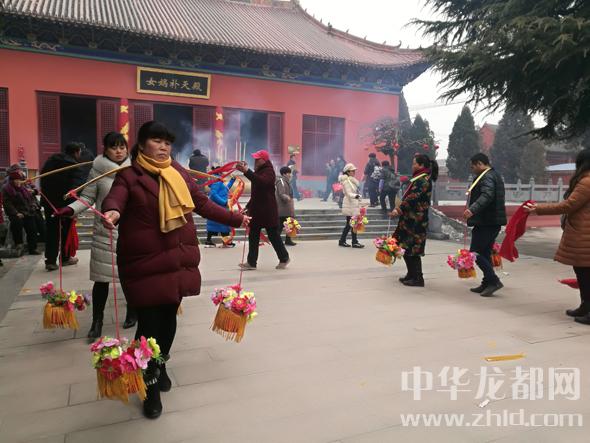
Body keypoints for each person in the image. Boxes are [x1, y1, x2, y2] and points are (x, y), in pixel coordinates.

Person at [101, 121, 249, 419]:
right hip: (144, 263)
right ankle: (150, 384)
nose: (163, 147)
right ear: (142, 144)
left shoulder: (178, 173)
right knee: (148, 325)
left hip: (176, 260)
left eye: (167, 142)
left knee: (168, 318)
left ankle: (160, 364)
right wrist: (112, 211)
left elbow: (202, 204)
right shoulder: (129, 176)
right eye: (157, 140)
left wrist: (236, 219)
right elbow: (116, 197)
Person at [55, 132, 136, 340]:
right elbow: (87, 198)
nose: (119, 151)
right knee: (101, 280)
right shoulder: (97, 171)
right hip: (105, 232)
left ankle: (132, 311)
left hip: (132, 231)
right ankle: (97, 321)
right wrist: (70, 209)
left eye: (122, 147)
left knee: (131, 277)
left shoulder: (136, 169)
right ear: (105, 149)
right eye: (114, 147)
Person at [525, 149, 590, 324]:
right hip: (583, 232)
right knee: (582, 272)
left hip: (585, 234)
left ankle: (588, 309)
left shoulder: (587, 182)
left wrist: (538, 209)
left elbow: (568, 205)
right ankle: (585, 306)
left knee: (585, 274)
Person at [236, 150, 290, 270]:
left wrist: (247, 171)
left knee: (273, 236)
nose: (255, 161)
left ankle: (284, 258)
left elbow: (262, 182)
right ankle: (251, 262)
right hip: (257, 210)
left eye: (257, 159)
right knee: (253, 235)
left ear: (264, 160)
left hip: (267, 210)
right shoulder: (260, 171)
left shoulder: (269, 171)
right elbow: (256, 193)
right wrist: (248, 206)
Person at [391, 154, 438, 287]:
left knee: (413, 249)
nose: (412, 166)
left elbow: (413, 197)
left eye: (414, 163)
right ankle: (411, 274)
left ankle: (418, 278)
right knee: (405, 247)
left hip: (416, 221)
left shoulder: (423, 180)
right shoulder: (418, 178)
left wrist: (399, 208)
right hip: (410, 219)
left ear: (421, 165)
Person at [463, 153, 507, 297]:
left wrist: (472, 209)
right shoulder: (494, 175)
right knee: (485, 253)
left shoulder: (487, 177)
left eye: (473, 167)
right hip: (490, 221)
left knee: (475, 253)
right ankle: (487, 282)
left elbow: (487, 195)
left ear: (480, 164)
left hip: (486, 221)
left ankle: (494, 281)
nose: (472, 170)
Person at [40, 142, 86, 270]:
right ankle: (64, 258)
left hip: (49, 203)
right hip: (65, 206)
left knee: (51, 231)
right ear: (76, 152)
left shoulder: (50, 162)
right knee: (65, 232)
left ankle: (50, 261)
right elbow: (75, 189)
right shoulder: (75, 166)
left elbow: (43, 181)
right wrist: (72, 208)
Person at [1, 166, 40, 255]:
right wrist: (16, 213)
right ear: (12, 180)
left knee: (32, 228)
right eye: (16, 180)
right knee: (16, 224)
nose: (18, 182)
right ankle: (19, 245)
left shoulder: (23, 188)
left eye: (19, 180)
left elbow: (30, 199)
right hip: (15, 213)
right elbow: (7, 204)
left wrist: (33, 206)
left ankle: (32, 248)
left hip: (27, 211)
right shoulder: (6, 188)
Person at [205, 169, 236, 247]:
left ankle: (209, 241)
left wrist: (232, 180)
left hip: (217, 207)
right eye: (222, 172)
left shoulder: (217, 181)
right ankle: (226, 242)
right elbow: (213, 194)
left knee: (216, 224)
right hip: (220, 207)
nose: (223, 173)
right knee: (224, 224)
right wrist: (224, 202)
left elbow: (225, 189)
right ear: (219, 172)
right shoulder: (217, 181)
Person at [338, 163, 364, 248]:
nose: (354, 172)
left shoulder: (351, 180)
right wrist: (357, 196)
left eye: (354, 171)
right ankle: (353, 241)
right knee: (351, 224)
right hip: (349, 204)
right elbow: (348, 193)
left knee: (351, 224)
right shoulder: (346, 181)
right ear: (348, 172)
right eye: (352, 171)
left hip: (353, 204)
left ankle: (344, 241)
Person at [276, 166, 296, 246]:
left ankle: (288, 240)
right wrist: (287, 198)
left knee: (290, 224)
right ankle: (276, 241)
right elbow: (281, 194)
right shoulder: (281, 182)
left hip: (288, 208)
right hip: (282, 208)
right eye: (289, 173)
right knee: (280, 226)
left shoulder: (287, 182)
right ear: (284, 174)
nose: (290, 175)